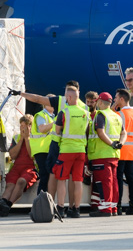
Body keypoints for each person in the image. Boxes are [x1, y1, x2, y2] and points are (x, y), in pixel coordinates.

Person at [49, 84, 91, 217]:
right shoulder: (86, 113)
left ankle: (61, 207)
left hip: (66, 150)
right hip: (80, 151)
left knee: (62, 179)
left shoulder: (64, 112)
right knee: (78, 180)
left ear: (69, 97)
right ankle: (76, 209)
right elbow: (87, 131)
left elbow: (57, 130)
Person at [87, 92, 125, 217]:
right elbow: (124, 133)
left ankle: (105, 208)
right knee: (113, 181)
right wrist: (120, 143)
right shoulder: (117, 116)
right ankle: (113, 207)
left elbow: (100, 132)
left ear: (101, 103)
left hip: (101, 154)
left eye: (98, 101)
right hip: (114, 155)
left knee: (104, 182)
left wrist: (111, 144)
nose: (96, 103)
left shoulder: (100, 115)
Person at [0, 114, 39, 217]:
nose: (22, 128)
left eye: (25, 126)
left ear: (30, 126)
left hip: (30, 168)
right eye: (21, 126)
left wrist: (27, 139)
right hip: (16, 167)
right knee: (10, 184)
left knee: (21, 181)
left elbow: (31, 155)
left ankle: (8, 204)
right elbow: (12, 155)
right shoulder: (16, 137)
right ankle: (3, 201)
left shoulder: (35, 137)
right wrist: (21, 140)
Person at [113, 88, 133, 215]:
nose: (114, 99)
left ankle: (118, 206)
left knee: (118, 178)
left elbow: (109, 113)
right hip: (132, 151)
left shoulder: (119, 114)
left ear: (121, 99)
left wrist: (114, 106)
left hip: (121, 150)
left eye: (116, 97)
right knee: (131, 179)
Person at [30, 94, 57, 194]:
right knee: (45, 175)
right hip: (41, 149)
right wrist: (55, 122)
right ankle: (40, 202)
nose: (54, 104)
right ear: (45, 104)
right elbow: (42, 129)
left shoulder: (53, 116)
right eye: (51, 102)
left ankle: (45, 201)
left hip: (49, 149)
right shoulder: (41, 115)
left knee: (50, 176)